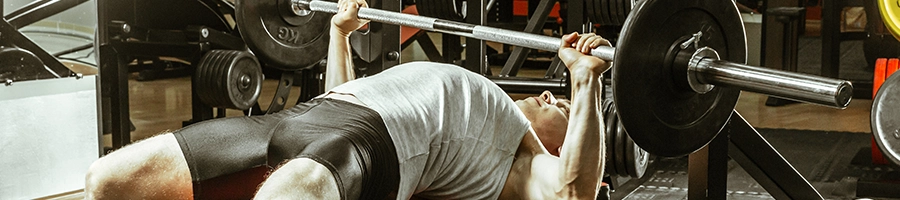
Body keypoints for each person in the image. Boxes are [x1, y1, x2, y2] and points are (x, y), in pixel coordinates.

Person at [83, 0, 611, 199]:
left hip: (374, 144)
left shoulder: (524, 164)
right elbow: (342, 93)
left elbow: (574, 192)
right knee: (107, 182)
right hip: (313, 115)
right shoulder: (491, 100)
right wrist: (339, 34)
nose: (549, 94)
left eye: (559, 106)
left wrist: (586, 83)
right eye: (557, 93)